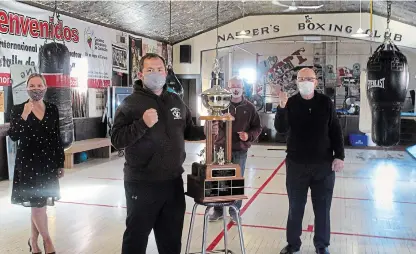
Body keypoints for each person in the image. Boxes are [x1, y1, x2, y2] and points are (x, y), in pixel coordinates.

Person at [111, 53, 213, 254]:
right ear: (140, 74)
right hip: (142, 183)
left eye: (159, 69)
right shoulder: (130, 103)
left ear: (166, 73)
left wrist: (206, 131)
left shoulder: (176, 100)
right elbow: (116, 140)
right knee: (136, 239)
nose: (155, 73)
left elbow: (187, 130)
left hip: (173, 182)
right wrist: (142, 124)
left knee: (171, 241)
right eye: (150, 70)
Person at [274, 68, 345, 254]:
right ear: (297, 82)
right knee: (295, 207)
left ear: (316, 82)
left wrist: (340, 155)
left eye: (309, 79)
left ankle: (322, 245)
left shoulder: (325, 103)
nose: (305, 81)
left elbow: (335, 130)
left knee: (322, 209)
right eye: (301, 78)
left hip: (324, 165)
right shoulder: (290, 103)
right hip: (296, 164)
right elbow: (281, 129)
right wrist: (281, 108)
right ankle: (293, 244)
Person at [8, 73, 65, 254]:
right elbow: (14, 135)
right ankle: (48, 242)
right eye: (31, 86)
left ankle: (33, 241)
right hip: (28, 164)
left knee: (39, 205)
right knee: (38, 206)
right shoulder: (18, 109)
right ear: (26, 89)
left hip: (47, 163)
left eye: (39, 85)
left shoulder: (52, 108)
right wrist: (24, 115)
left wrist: (60, 162)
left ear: (45, 87)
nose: (35, 89)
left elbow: (57, 137)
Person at [209, 76, 262, 222]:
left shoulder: (250, 107)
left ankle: (235, 210)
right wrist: (220, 120)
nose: (236, 88)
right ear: (228, 87)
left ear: (243, 88)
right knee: (218, 180)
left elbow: (257, 127)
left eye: (238, 85)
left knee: (236, 182)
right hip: (220, 149)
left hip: (240, 150)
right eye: (233, 86)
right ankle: (218, 210)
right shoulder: (220, 105)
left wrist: (248, 135)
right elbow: (211, 123)